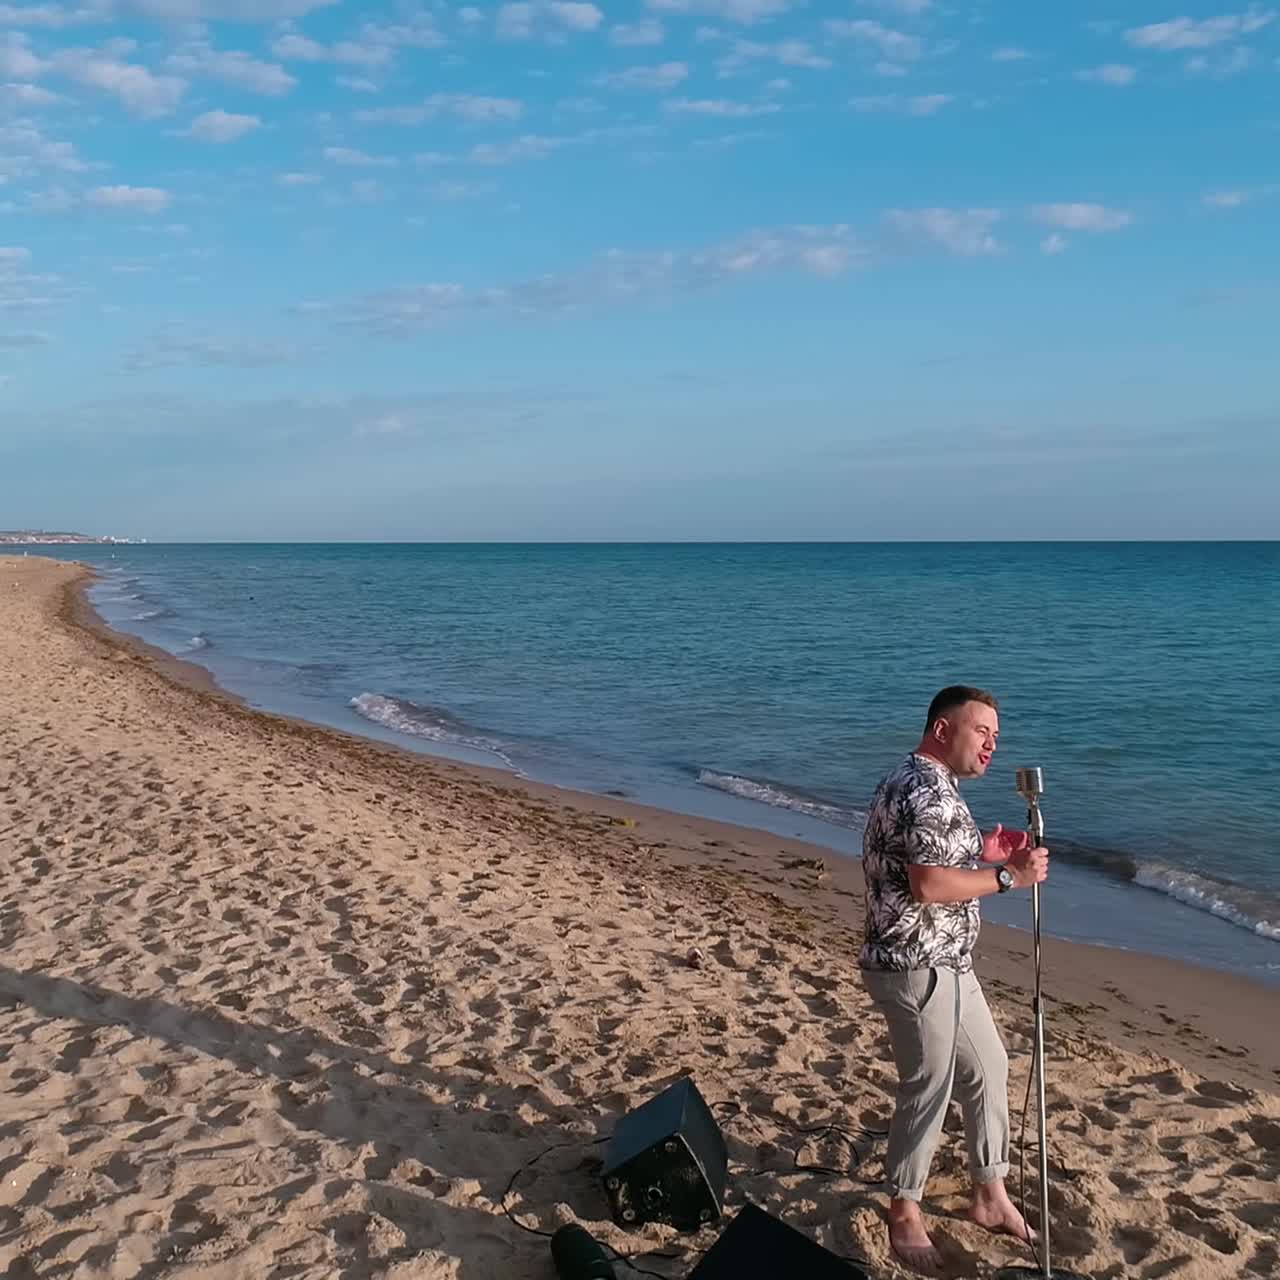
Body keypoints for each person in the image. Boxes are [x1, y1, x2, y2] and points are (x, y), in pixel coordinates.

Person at [860, 685, 1049, 1274]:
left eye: (997, 735)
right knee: (930, 1085)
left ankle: (990, 1195)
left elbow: (930, 855)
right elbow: (929, 885)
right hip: (915, 963)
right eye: (981, 731)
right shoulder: (926, 789)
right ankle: (904, 1209)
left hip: (946, 961)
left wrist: (979, 846)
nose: (992, 744)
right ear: (943, 731)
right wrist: (1006, 876)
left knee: (989, 1065)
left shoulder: (925, 783)